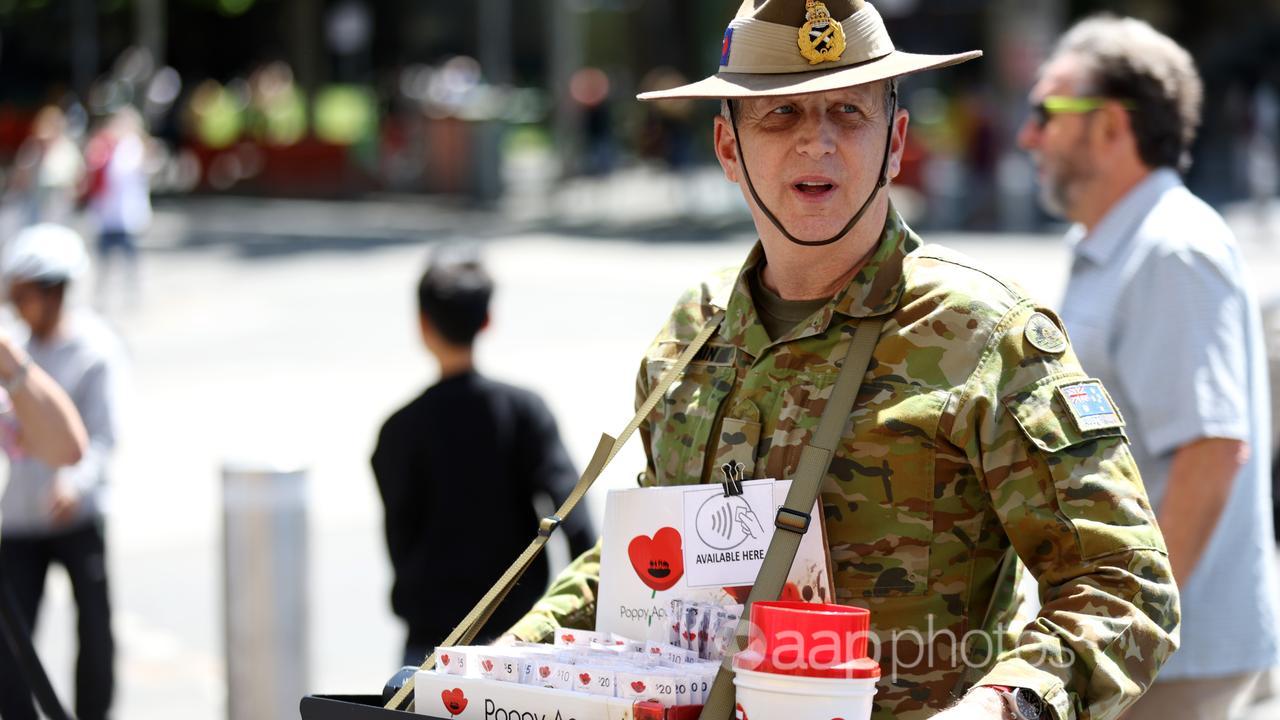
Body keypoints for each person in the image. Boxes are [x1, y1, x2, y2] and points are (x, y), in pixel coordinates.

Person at [504, 2, 1180, 719]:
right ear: (728, 148)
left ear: (894, 142)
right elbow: (650, 560)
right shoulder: (691, 337)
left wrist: (1004, 707)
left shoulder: (987, 337)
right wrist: (512, 655)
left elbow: (1123, 580)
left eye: (848, 114)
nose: (817, 143)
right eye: (782, 114)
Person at [1017, 15, 1280, 720]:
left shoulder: (1171, 249)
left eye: (1046, 112)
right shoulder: (1121, 240)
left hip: (1166, 661)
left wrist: (1132, 637)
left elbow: (1211, 450)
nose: (1027, 136)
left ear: (1109, 125)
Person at [371, 251, 596, 667]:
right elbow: (576, 517)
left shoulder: (398, 430)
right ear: (487, 321)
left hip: (429, 641)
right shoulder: (524, 411)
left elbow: (399, 538)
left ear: (422, 325)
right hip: (517, 636)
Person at [0, 223, 127, 720]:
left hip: (74, 517)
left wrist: (75, 482)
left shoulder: (93, 350)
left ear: (54, 292)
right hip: (19, 521)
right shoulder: (19, 343)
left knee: (94, 630)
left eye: (25, 294)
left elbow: (90, 441)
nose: (18, 304)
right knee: (12, 645)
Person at [83, 106, 152, 309]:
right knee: (104, 259)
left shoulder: (132, 147)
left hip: (126, 214)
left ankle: (133, 295)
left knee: (128, 258)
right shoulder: (107, 147)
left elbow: (126, 174)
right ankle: (101, 297)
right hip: (107, 213)